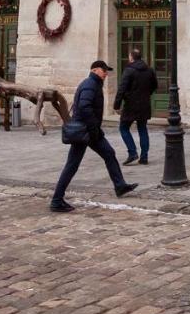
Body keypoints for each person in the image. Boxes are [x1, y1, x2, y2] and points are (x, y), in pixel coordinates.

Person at [50, 60, 138, 212]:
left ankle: (120, 186)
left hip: (91, 131)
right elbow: (84, 107)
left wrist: (95, 129)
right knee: (72, 165)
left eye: (106, 71)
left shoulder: (93, 84)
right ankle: (56, 200)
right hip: (85, 132)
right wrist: (93, 128)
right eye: (104, 71)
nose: (106, 74)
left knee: (109, 153)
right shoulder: (90, 85)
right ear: (95, 70)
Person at [113, 48, 157, 166]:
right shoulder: (149, 70)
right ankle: (144, 157)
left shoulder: (129, 70)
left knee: (123, 128)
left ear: (131, 57)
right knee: (142, 129)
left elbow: (122, 88)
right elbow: (154, 86)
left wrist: (117, 104)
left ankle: (132, 152)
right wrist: (146, 95)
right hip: (144, 104)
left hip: (130, 105)